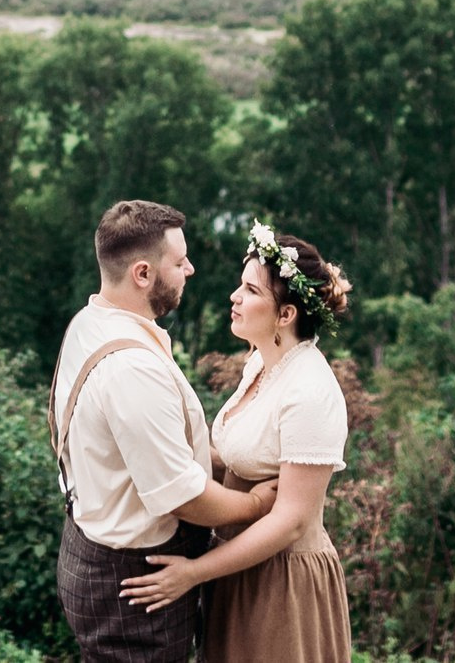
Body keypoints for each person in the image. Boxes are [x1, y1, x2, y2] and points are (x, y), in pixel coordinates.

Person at [54, 200, 281, 663]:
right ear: (142, 274)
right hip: (136, 586)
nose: (190, 270)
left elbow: (138, 448)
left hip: (90, 547)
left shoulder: (89, 322)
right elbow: (184, 497)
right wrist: (255, 504)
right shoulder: (133, 370)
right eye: (179, 262)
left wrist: (228, 455)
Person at [122, 221, 354, 663]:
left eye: (250, 290)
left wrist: (193, 573)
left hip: (281, 582)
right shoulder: (260, 365)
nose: (235, 296)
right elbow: (234, 457)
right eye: (240, 285)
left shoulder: (310, 391)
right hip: (237, 569)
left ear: (285, 315)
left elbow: (291, 522)